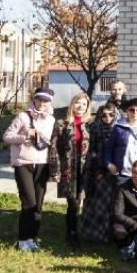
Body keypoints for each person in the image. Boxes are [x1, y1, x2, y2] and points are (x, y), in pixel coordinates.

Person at [3, 87, 56, 251]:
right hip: (23, 163)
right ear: (34, 99)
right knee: (28, 202)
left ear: (50, 102)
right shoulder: (22, 116)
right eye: (40, 99)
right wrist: (25, 136)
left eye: (46, 100)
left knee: (38, 204)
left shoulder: (51, 120)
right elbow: (7, 137)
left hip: (42, 164)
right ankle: (22, 240)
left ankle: (33, 238)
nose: (42, 103)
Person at [49, 91, 92, 249]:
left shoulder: (90, 124)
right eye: (77, 103)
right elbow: (54, 148)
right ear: (72, 104)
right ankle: (72, 233)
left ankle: (83, 230)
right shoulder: (62, 124)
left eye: (83, 104)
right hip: (69, 169)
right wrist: (55, 171)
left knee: (82, 201)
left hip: (86, 169)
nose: (80, 106)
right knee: (73, 203)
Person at [82, 102, 118, 243]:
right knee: (96, 204)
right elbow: (91, 151)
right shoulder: (94, 129)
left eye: (111, 114)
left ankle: (112, 234)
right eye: (104, 115)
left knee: (113, 204)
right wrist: (97, 169)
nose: (107, 117)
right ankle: (96, 235)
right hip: (97, 172)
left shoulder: (119, 129)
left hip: (114, 171)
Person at [106, 98, 137, 185]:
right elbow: (109, 148)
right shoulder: (118, 128)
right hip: (122, 174)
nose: (135, 113)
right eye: (132, 110)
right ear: (127, 111)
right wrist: (109, 164)